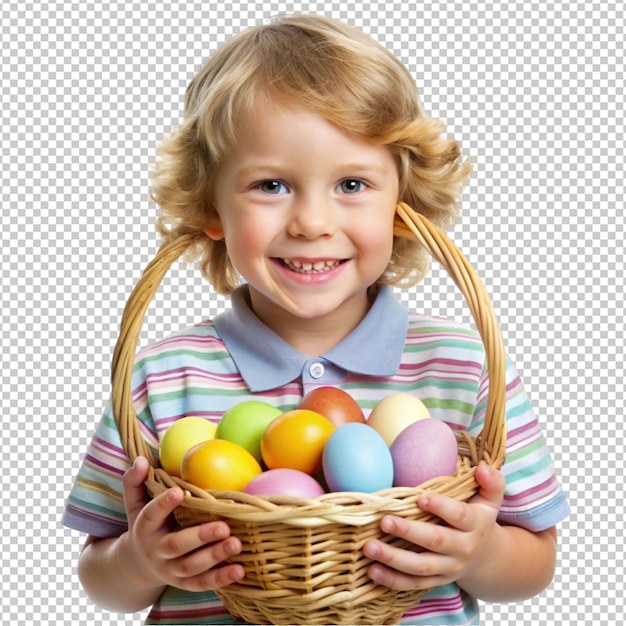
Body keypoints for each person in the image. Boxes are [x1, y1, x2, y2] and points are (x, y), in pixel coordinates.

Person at [62, 14, 569, 625]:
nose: (311, 222)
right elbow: (101, 573)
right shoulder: (166, 375)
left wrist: (478, 552)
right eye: (272, 185)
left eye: (352, 183)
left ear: (403, 209)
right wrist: (142, 561)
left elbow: (536, 562)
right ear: (212, 207)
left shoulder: (462, 366)